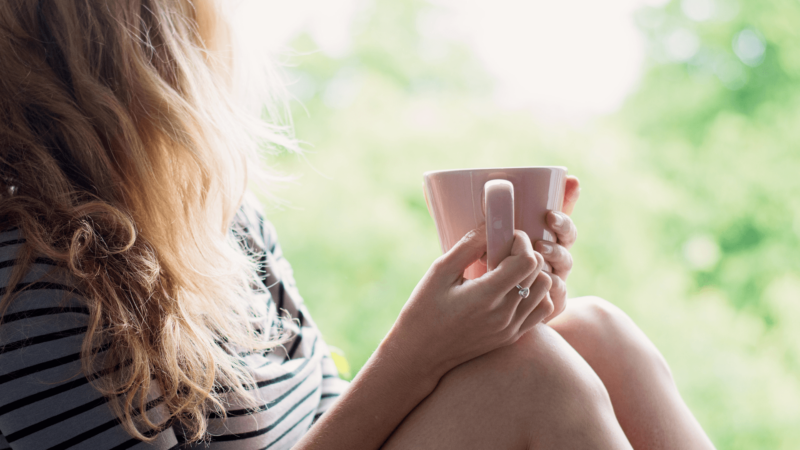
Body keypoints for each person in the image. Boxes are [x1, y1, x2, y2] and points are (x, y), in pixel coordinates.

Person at [0, 1, 716, 449]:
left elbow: (335, 418)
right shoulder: (36, 287)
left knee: (594, 331)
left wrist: (484, 316)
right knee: (533, 378)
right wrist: (418, 351)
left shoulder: (218, 221)